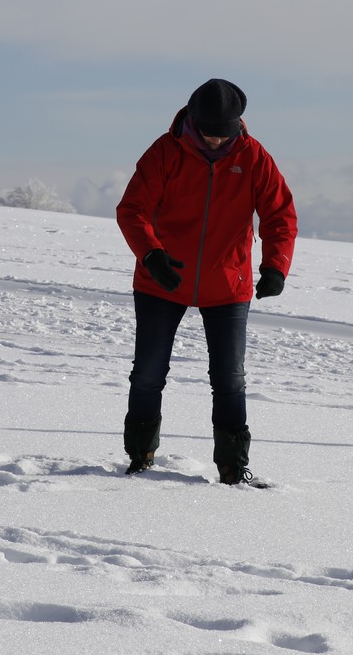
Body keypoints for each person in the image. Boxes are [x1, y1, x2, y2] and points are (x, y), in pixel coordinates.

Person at [116, 78, 297, 484]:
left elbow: (280, 215)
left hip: (228, 285)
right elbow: (132, 210)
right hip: (161, 281)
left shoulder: (254, 157)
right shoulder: (165, 152)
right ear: (194, 121)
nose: (216, 141)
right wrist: (151, 254)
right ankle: (140, 454)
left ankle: (233, 467)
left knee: (229, 379)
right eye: (209, 133)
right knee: (148, 373)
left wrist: (275, 266)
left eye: (224, 134)